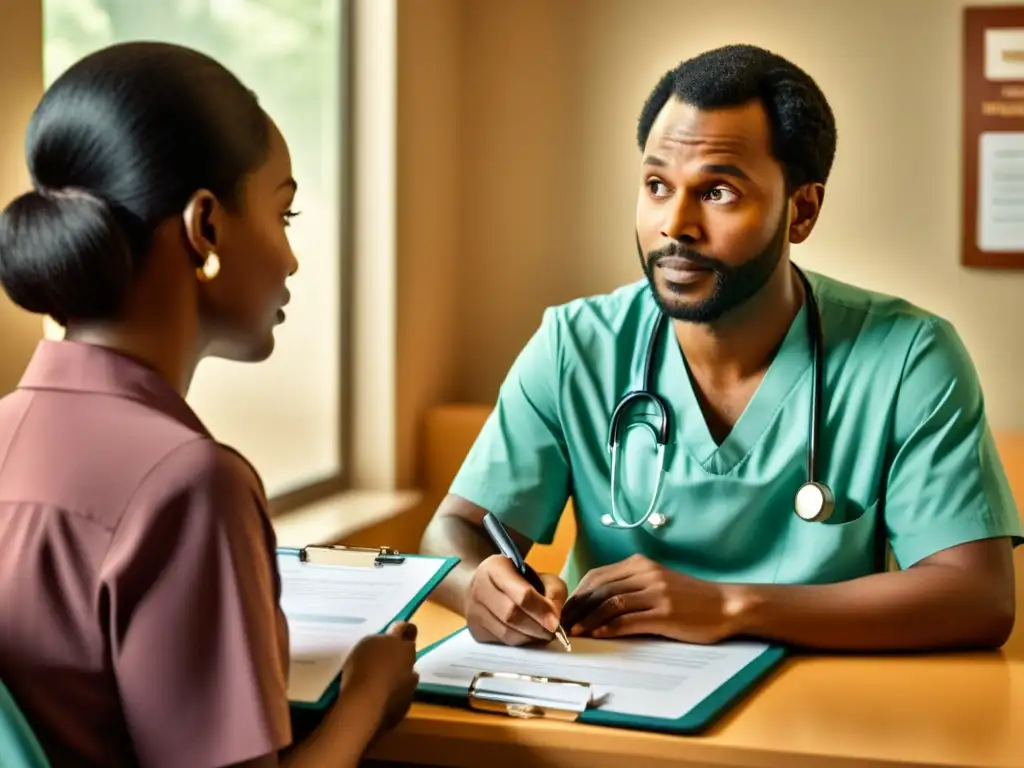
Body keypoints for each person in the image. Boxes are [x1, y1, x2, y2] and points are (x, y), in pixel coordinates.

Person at [420, 44, 1022, 653]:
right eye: (657, 184)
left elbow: (977, 597)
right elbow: (454, 529)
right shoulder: (576, 346)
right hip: (610, 701)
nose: (674, 223)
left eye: (717, 193)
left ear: (802, 211)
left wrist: (731, 606)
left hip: (818, 715)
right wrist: (479, 586)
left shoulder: (908, 357)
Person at [0, 42, 417, 768]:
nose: (291, 258)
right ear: (207, 228)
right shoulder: (188, 485)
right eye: (284, 215)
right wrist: (367, 700)